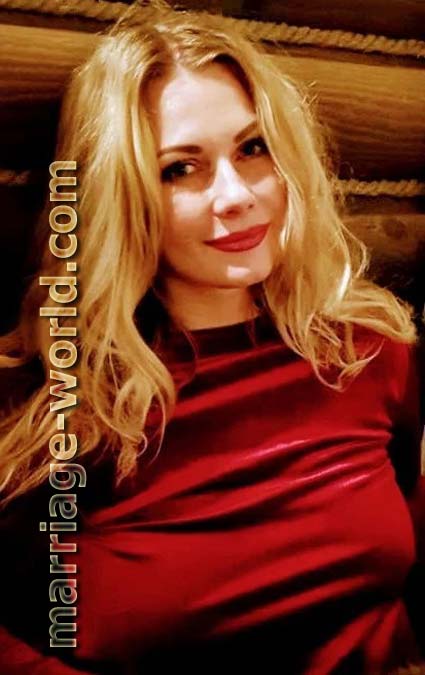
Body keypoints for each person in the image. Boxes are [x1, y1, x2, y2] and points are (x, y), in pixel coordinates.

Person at [0, 1, 424, 673]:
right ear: (123, 194)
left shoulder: (368, 352)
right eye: (180, 168)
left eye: (253, 148)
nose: (235, 195)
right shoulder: (55, 403)